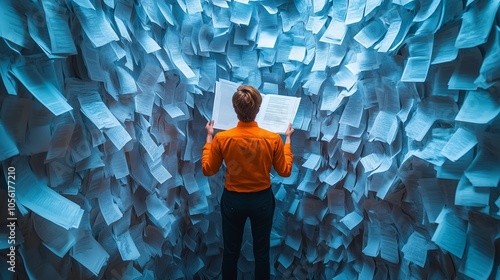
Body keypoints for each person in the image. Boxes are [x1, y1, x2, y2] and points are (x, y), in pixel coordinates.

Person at [202, 85, 294, 280]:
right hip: (262, 201)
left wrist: (209, 136)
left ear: (235, 109)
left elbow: (208, 169)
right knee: (261, 253)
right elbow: (285, 171)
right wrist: (287, 140)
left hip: (233, 201)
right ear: (258, 109)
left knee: (230, 252)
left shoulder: (222, 138)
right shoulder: (272, 139)